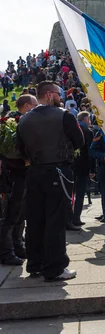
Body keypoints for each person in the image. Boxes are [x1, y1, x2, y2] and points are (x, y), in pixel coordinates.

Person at [17, 81, 84, 281]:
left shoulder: (24, 120)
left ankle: (35, 264)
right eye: (58, 93)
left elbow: (21, 150)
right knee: (56, 220)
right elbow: (79, 141)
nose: (61, 96)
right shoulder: (64, 115)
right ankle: (55, 267)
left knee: (35, 219)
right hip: (58, 171)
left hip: (35, 172)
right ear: (48, 94)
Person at [0, 95, 38, 265]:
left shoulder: (26, 121)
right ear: (27, 105)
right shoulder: (10, 122)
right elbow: (8, 149)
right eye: (34, 105)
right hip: (11, 175)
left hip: (23, 174)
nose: (36, 108)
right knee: (10, 214)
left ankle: (18, 246)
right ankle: (6, 252)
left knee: (21, 212)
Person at [72, 111, 94, 227]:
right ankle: (76, 217)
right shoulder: (88, 132)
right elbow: (90, 152)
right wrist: (92, 169)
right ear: (85, 119)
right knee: (80, 194)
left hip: (70, 165)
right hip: (83, 166)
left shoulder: (71, 129)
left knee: (70, 193)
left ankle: (68, 217)